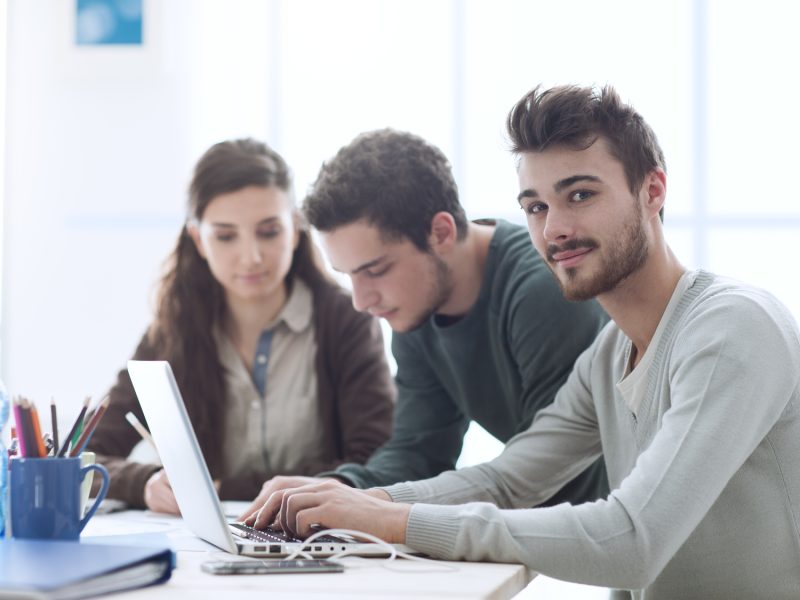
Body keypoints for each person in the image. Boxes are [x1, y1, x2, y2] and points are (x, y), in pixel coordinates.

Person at [246, 86, 800, 599]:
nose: (553, 228)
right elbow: (508, 479)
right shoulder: (608, 355)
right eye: (535, 206)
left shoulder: (731, 328)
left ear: (652, 191)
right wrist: (362, 502)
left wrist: (394, 521)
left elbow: (634, 537)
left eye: (579, 194)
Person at [239, 129, 610, 520]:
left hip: (631, 534)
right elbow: (418, 453)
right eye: (348, 276)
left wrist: (378, 507)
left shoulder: (544, 291)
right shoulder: (417, 308)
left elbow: (542, 478)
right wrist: (340, 489)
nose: (361, 302)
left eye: (375, 270)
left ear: (441, 233)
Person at [89, 138, 394, 513]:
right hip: (208, 549)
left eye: (268, 232)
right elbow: (86, 455)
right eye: (226, 236)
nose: (250, 257)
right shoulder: (173, 328)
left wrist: (220, 488)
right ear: (199, 240)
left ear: (296, 228)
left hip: (317, 536)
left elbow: (376, 462)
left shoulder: (346, 320)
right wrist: (144, 482)